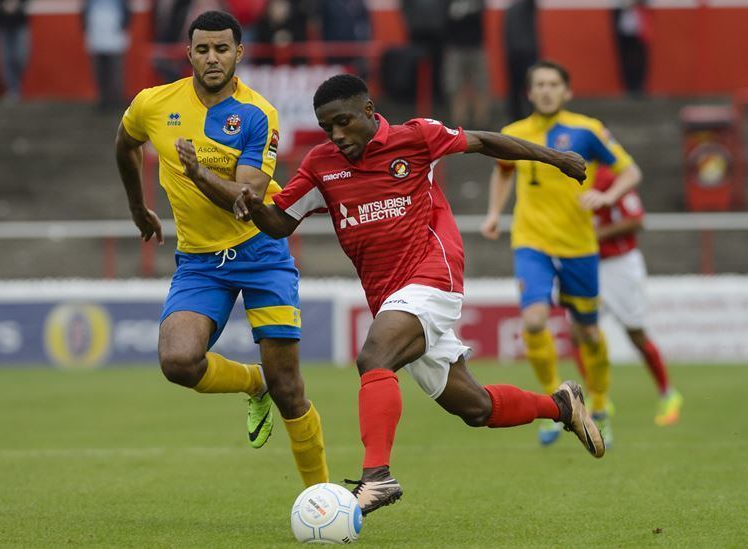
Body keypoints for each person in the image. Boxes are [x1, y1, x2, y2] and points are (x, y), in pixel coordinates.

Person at [234, 73, 605, 516]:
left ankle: (377, 478)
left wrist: (556, 158)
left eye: (343, 121)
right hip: (391, 297)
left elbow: (485, 142)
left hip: (433, 274)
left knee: (374, 357)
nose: (336, 134)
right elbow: (280, 222)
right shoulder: (321, 165)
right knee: (475, 407)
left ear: (369, 112)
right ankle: (561, 406)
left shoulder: (416, 138)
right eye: (326, 126)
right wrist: (250, 204)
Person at [114, 10, 328, 487]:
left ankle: (322, 501)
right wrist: (138, 207)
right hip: (200, 261)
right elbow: (124, 144)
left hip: (260, 252)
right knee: (178, 362)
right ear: (188, 53)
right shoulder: (153, 103)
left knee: (290, 389)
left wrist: (198, 173)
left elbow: (248, 199)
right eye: (203, 49)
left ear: (239, 53)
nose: (213, 58)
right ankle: (254, 383)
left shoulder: (259, 113)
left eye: (222, 49)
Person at [481, 60, 642, 448]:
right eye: (540, 84)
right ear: (530, 92)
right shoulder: (514, 133)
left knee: (586, 331)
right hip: (531, 241)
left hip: (579, 245)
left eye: (555, 83)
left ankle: (600, 404)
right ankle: (556, 404)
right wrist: (493, 213)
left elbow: (630, 171)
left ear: (566, 91)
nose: (548, 90)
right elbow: (503, 170)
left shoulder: (587, 130)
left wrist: (608, 195)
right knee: (534, 321)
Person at [582, 166, 682, 426]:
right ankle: (596, 398)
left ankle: (667, 393)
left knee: (635, 332)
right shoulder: (562, 174)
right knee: (579, 332)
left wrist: (593, 235)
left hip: (619, 264)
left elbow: (637, 219)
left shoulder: (611, 176)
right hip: (583, 263)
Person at [443, 0, 490, 129]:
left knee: (481, 86)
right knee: (455, 87)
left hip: (476, 47)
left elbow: (481, 12)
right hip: (455, 48)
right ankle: (459, 125)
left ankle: (481, 124)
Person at [82, 0, 133, 111]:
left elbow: (127, 13)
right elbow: (84, 13)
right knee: (99, 71)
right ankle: (103, 99)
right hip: (95, 36)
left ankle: (116, 100)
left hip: (115, 37)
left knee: (115, 71)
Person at [503, 0, 538, 122]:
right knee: (514, 88)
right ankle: (515, 117)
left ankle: (533, 115)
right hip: (512, 54)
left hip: (528, 53)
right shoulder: (510, 9)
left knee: (530, 85)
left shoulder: (527, 5)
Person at [0, 0, 30, 102]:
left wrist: (18, 5)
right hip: (3, 24)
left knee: (20, 57)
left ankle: (17, 86)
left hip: (20, 23)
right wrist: (3, 5)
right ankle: (13, 90)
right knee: (7, 58)